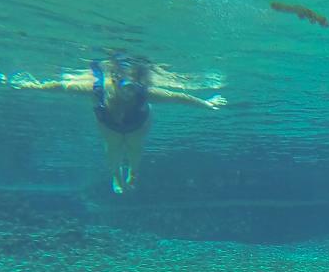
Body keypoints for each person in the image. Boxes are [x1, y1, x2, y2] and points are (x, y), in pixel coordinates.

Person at [12, 54, 226, 193]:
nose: (127, 91)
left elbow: (178, 97)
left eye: (132, 86)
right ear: (113, 80)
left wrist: (206, 103)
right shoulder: (97, 88)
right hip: (109, 126)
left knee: (135, 149)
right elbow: (60, 86)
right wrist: (34, 86)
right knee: (112, 150)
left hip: (138, 125)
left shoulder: (145, 92)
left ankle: (132, 172)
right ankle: (116, 176)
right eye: (123, 85)